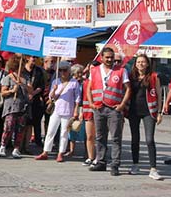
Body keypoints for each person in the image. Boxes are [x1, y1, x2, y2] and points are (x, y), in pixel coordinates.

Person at [87, 47, 130, 176]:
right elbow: (89, 88)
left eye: (112, 57)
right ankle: (101, 162)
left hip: (113, 108)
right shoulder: (94, 70)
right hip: (99, 107)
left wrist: (122, 104)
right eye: (107, 57)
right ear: (101, 57)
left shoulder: (121, 71)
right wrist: (90, 103)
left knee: (116, 137)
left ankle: (115, 164)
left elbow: (128, 88)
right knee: (100, 137)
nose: (110, 60)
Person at [35, 61, 81, 162]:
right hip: (56, 109)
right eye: (60, 70)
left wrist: (76, 111)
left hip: (68, 110)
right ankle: (45, 151)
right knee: (50, 131)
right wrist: (54, 90)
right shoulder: (56, 81)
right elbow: (52, 96)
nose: (63, 72)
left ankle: (61, 153)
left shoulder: (74, 82)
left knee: (64, 133)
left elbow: (77, 98)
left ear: (69, 71)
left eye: (65, 70)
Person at [127, 54, 163, 180]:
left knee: (149, 140)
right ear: (135, 64)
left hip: (149, 111)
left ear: (147, 64)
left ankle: (153, 168)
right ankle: (135, 164)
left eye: (143, 62)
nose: (140, 64)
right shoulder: (131, 76)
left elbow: (159, 94)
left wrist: (159, 112)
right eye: (138, 62)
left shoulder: (154, 77)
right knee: (135, 139)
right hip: (133, 111)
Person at [0, 54, 29, 159]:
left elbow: (30, 90)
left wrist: (23, 85)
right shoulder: (8, 78)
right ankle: (3, 146)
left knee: (20, 129)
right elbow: (2, 92)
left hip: (22, 107)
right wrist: (12, 90)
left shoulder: (26, 78)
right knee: (8, 127)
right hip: (11, 107)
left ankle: (17, 148)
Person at [20, 55, 47, 151]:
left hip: (34, 100)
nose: (34, 59)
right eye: (32, 57)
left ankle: (29, 145)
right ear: (27, 58)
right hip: (22, 98)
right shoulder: (21, 69)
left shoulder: (39, 71)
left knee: (32, 122)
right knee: (22, 123)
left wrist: (33, 93)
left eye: (36, 57)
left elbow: (41, 85)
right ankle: (19, 144)